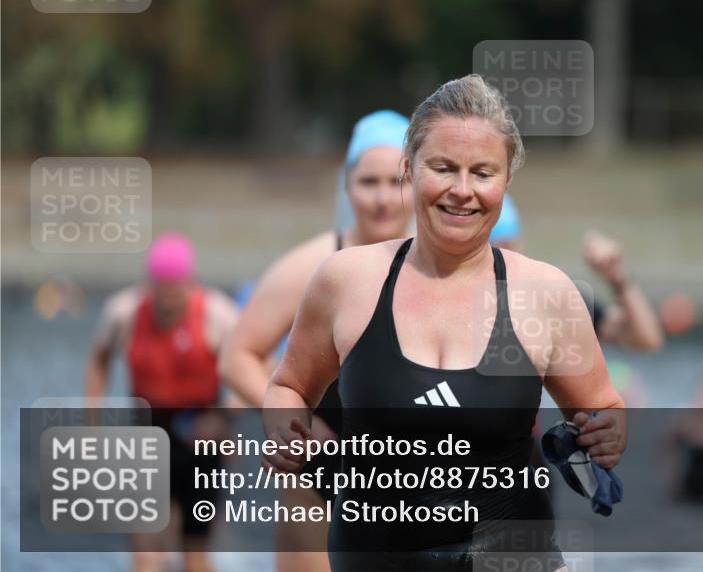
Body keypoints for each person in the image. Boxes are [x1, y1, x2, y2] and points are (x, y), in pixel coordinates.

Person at [262, 74, 627, 572]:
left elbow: (603, 406)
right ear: (409, 169)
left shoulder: (546, 294)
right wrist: (283, 426)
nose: (462, 191)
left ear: (507, 181)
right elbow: (289, 386)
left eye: (482, 172)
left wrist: (609, 431)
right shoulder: (346, 280)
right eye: (444, 168)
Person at [219, 109, 412, 572]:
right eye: (369, 182)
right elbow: (237, 354)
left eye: (395, 181)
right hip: (320, 471)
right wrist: (295, 426)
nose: (383, 198)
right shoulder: (312, 264)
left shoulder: (437, 266)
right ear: (347, 187)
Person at [85, 233, 239, 572]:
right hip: (148, 428)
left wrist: (224, 419)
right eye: (160, 286)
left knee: (194, 552)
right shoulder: (123, 311)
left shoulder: (218, 314)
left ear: (190, 281)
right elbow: (99, 360)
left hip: (202, 434)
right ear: (149, 282)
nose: (168, 297)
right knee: (146, 549)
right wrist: (93, 422)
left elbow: (247, 371)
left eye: (175, 287)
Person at [490, 195, 664, 353]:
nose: (503, 260)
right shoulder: (468, 306)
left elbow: (646, 339)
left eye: (509, 247)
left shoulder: (551, 299)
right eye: (494, 249)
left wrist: (616, 278)